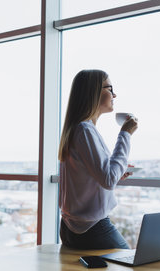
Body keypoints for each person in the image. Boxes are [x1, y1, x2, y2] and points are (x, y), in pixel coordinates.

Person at [58, 69, 138, 250]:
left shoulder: (77, 130)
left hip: (71, 227)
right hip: (92, 228)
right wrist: (125, 133)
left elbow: (98, 175)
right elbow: (108, 180)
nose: (114, 94)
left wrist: (118, 173)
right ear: (93, 92)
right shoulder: (85, 130)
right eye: (110, 88)